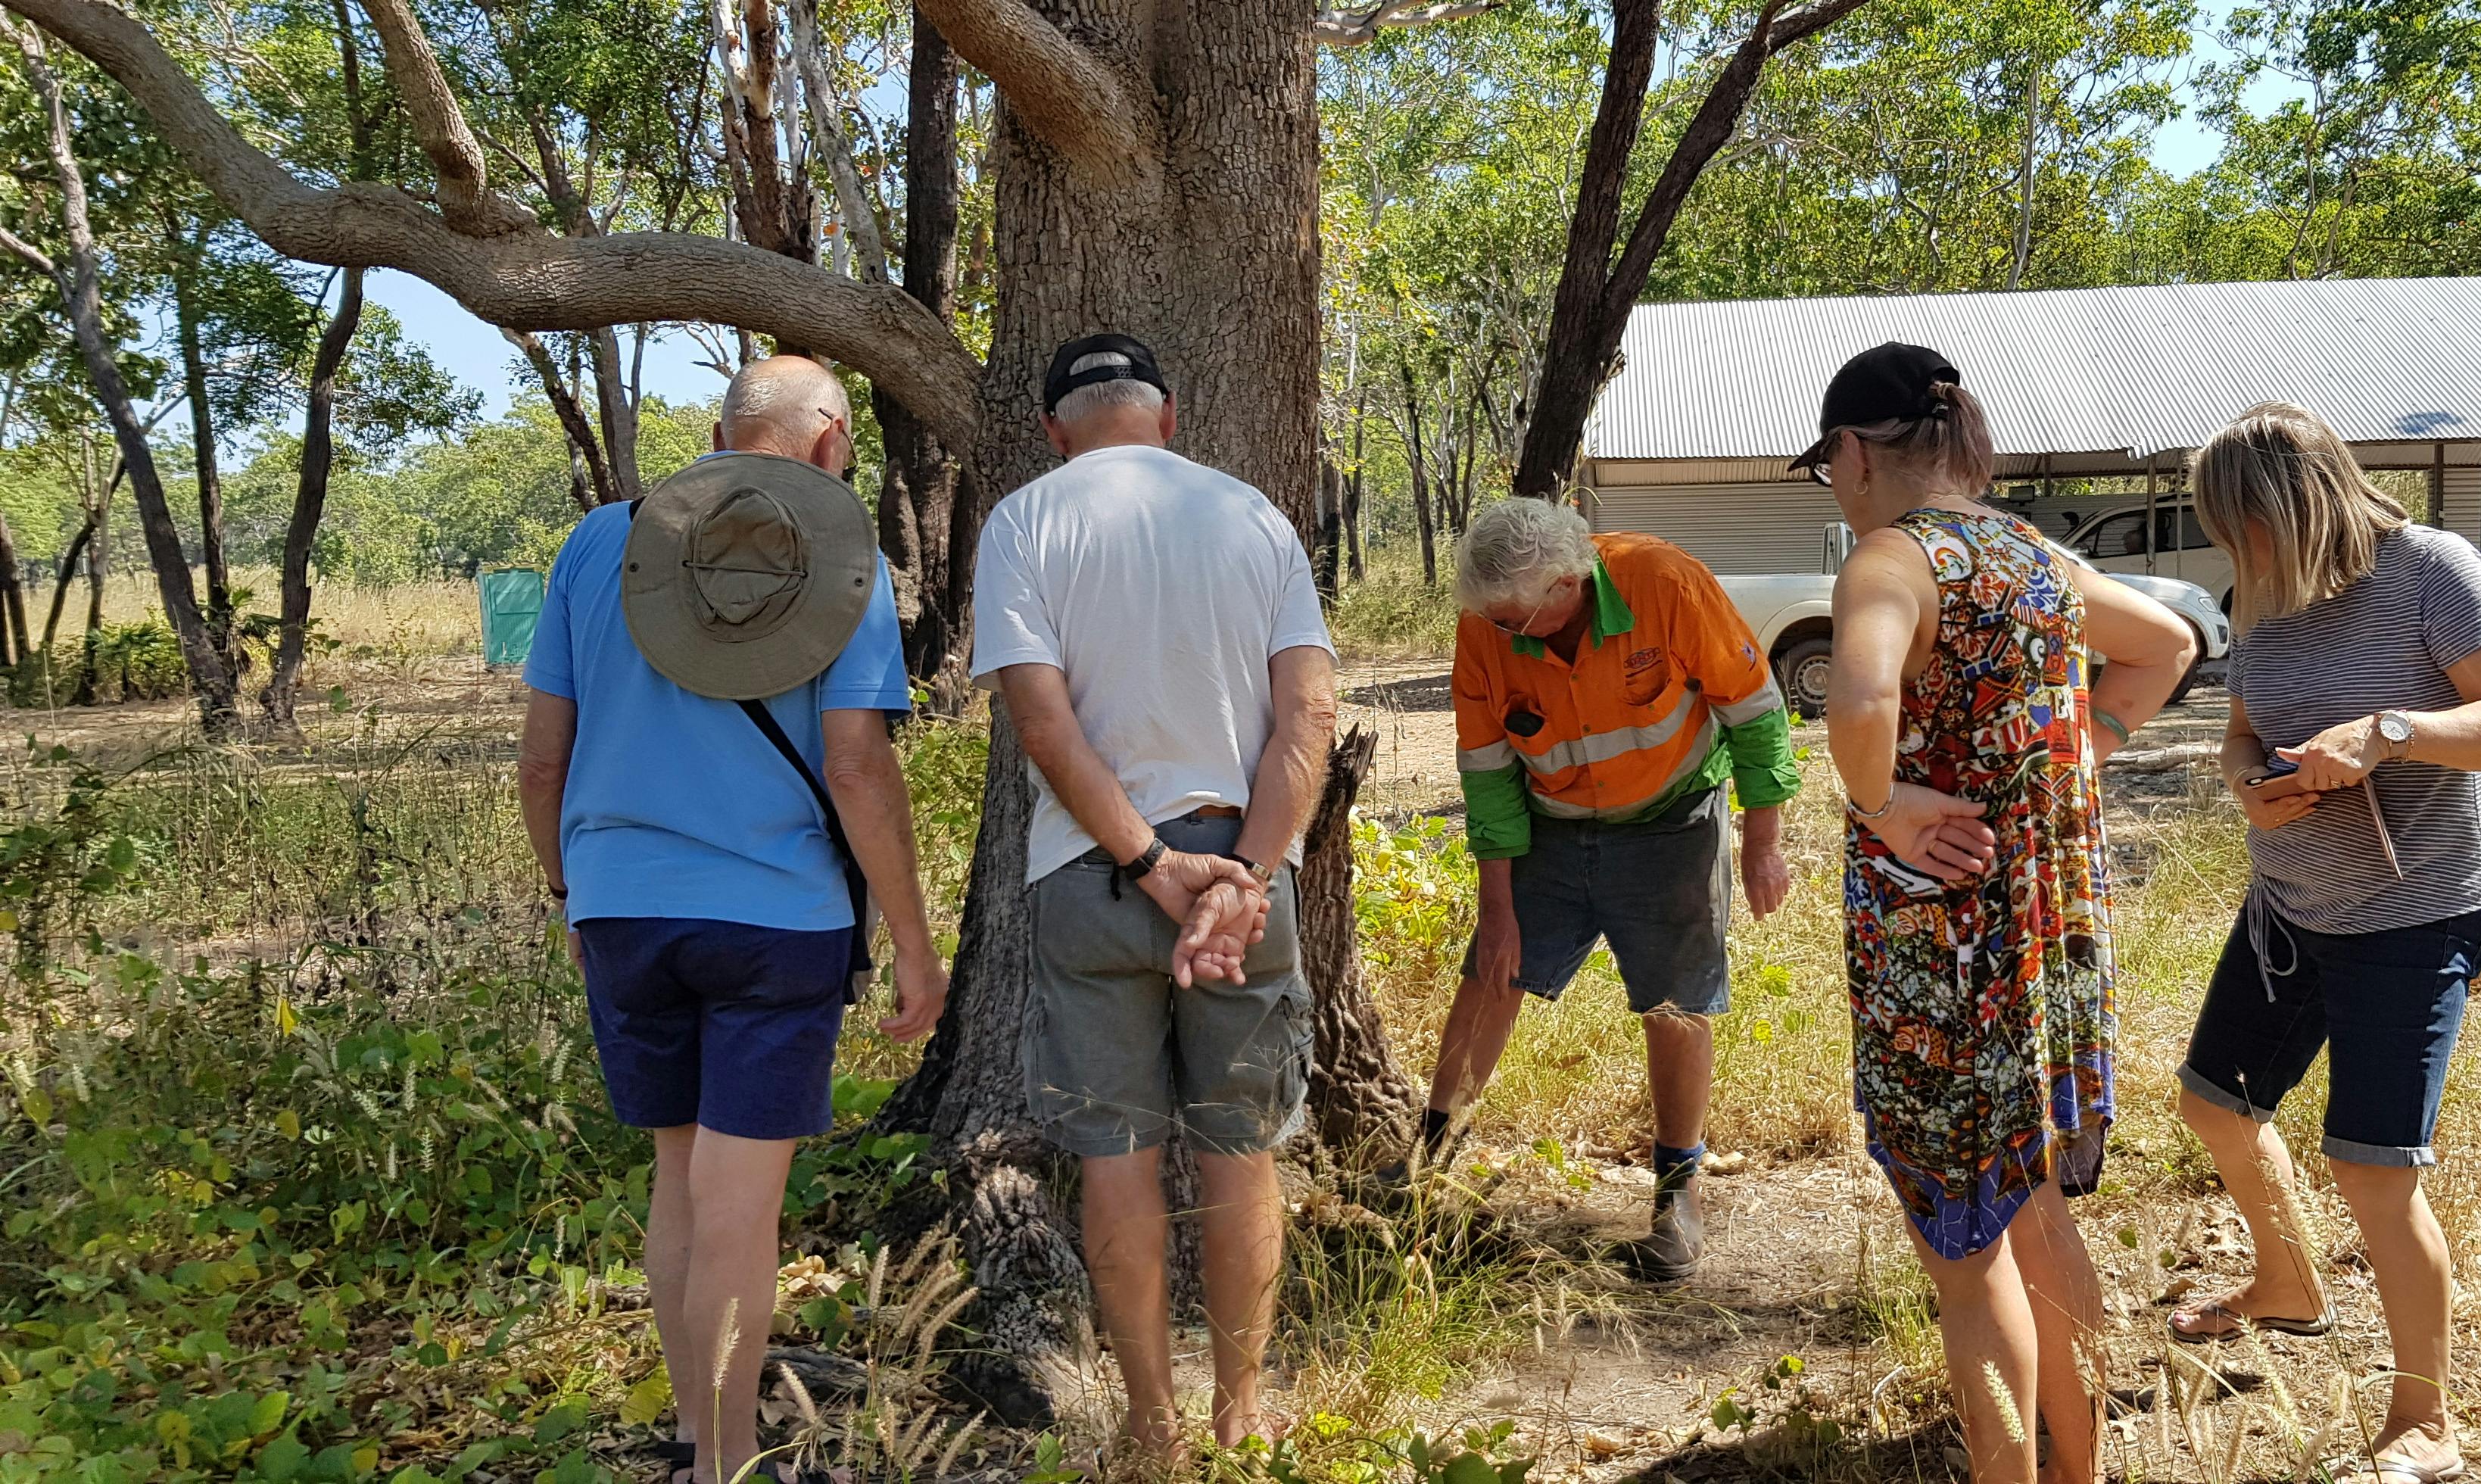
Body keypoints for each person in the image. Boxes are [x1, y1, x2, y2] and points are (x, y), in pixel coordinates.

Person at [517, 356, 949, 1484]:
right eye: (847, 451)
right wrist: (913, 942)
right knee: (740, 1207)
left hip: (619, 905)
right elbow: (856, 768)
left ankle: (694, 1433)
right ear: (825, 441)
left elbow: (540, 761)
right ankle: (729, 1461)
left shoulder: (595, 545)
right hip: (774, 916)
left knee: (680, 1176)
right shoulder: (836, 555)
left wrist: (574, 891)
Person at [1811, 341, 2195, 1484]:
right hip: (2051, 932)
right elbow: (2166, 645)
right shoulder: (2035, 555)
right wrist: (2075, 763)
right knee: (2026, 1210)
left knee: (1963, 1249)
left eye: (1827, 465)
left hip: (1945, 951)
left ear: (1851, 453)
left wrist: (1880, 803)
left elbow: (1865, 690)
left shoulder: (1890, 557)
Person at [2167, 401, 2481, 1484]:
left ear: (2300, 507)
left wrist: (2390, 732)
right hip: (2290, 908)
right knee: (2216, 1103)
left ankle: (2426, 1420)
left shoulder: (2435, 571)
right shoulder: (2267, 595)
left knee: (2372, 1171)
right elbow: (2245, 725)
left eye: (2242, 527)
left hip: (2416, 918)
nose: (2235, 554)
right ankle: (2288, 1286)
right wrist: (2251, 782)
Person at [968, 333, 1338, 1462]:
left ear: (1054, 430)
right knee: (1241, 1152)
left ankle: (1151, 1425)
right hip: (1241, 874)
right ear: (1168, 417)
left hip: (1094, 880)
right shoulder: (1255, 518)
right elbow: (1309, 714)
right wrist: (1248, 879)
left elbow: (1042, 723)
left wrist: (1144, 864)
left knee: (1114, 1158)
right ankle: (1242, 1410)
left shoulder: (1024, 521)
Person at [1403, 496, 1800, 1283]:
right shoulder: (1490, 623)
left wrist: (1764, 842)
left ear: (1567, 583)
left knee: (1676, 999)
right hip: (1550, 824)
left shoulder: (1664, 583)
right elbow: (1486, 773)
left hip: (1673, 819)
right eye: (1495, 621)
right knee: (1492, 970)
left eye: (1520, 619)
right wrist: (1499, 909)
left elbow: (1755, 713)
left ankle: (1677, 1197)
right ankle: (1426, 1165)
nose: (1506, 635)